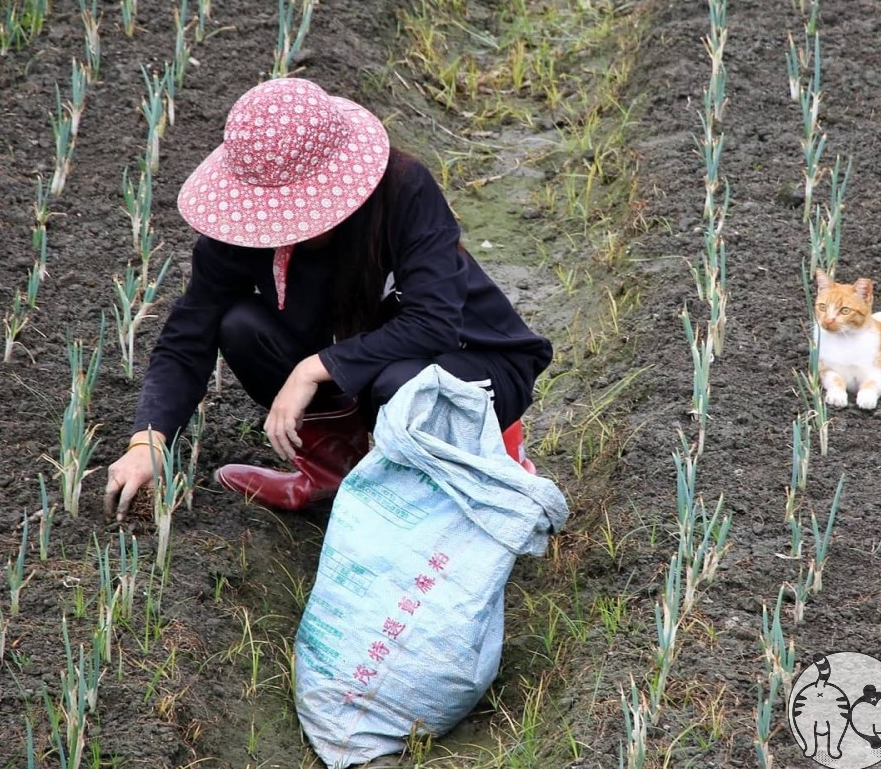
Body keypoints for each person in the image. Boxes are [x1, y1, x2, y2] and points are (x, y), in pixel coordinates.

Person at [103, 77, 552, 518]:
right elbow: (189, 334)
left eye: (294, 207)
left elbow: (433, 322)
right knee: (239, 327)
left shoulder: (402, 190)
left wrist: (312, 369)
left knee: (399, 387)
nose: (281, 222)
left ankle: (484, 471)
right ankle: (332, 474)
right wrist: (149, 439)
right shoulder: (243, 229)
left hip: (475, 360)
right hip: (371, 363)